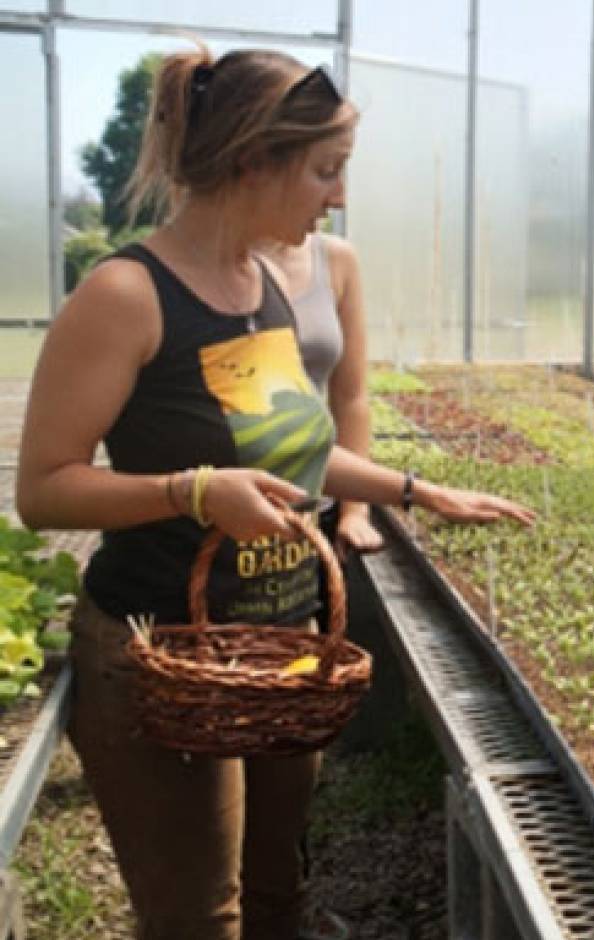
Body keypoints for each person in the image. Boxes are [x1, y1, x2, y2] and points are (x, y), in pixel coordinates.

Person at [14, 45, 533, 940]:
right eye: (325, 172)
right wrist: (192, 491)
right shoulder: (126, 295)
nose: (336, 197)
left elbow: (286, 454)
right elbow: (45, 491)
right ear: (255, 161)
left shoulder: (261, 288)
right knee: (198, 919)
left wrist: (418, 488)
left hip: (279, 646)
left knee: (278, 894)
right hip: (164, 652)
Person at [260, 231, 383, 554]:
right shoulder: (210, 265)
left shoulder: (335, 259)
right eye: (323, 176)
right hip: (223, 505)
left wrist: (355, 511)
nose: (337, 198)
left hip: (313, 500)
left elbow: (351, 397)